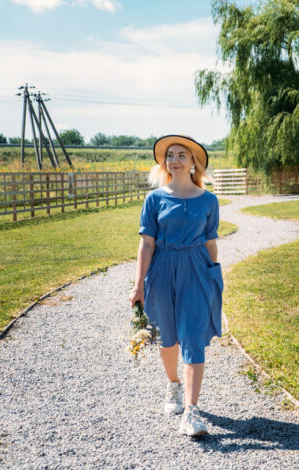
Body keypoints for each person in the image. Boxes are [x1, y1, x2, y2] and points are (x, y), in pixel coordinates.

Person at [129, 135, 223, 437]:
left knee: (193, 336)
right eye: (170, 155)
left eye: (182, 155)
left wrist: (212, 277)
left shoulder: (209, 201)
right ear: (165, 162)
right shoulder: (154, 199)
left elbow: (211, 242)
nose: (175, 160)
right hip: (161, 271)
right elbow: (146, 243)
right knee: (167, 337)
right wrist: (138, 285)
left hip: (196, 270)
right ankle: (174, 386)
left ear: (193, 162)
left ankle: (192, 413)